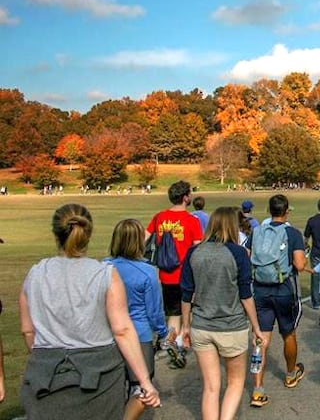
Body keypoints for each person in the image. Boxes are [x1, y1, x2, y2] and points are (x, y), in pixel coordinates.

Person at [19, 204, 161, 418]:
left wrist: (47, 358)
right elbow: (122, 330)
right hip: (98, 377)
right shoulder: (105, 274)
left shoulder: (36, 273)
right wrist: (144, 381)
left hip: (45, 375)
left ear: (56, 233)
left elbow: (28, 331)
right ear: (88, 233)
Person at [180, 206, 265, 420]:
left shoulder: (194, 252)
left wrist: (186, 326)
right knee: (235, 382)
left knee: (210, 387)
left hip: (201, 325)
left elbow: (186, 293)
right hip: (232, 326)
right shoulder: (238, 253)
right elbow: (246, 294)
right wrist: (256, 327)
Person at [105, 219, 169, 420]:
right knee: (141, 388)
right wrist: (163, 332)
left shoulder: (103, 267)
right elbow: (154, 310)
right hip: (139, 336)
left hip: (109, 334)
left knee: (113, 388)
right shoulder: (147, 272)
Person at [249, 194, 307, 407]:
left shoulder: (256, 231)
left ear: (269, 210)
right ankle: (291, 374)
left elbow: (247, 256)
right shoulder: (292, 233)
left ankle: (257, 388)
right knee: (288, 333)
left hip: (260, 291)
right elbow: (300, 265)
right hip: (283, 290)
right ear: (287, 211)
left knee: (261, 339)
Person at [145, 180, 203, 369]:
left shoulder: (160, 217)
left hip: (165, 274)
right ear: (186, 197)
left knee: (173, 313)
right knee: (187, 311)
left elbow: (144, 238)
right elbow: (197, 249)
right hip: (185, 274)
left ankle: (171, 341)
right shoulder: (191, 221)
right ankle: (178, 344)